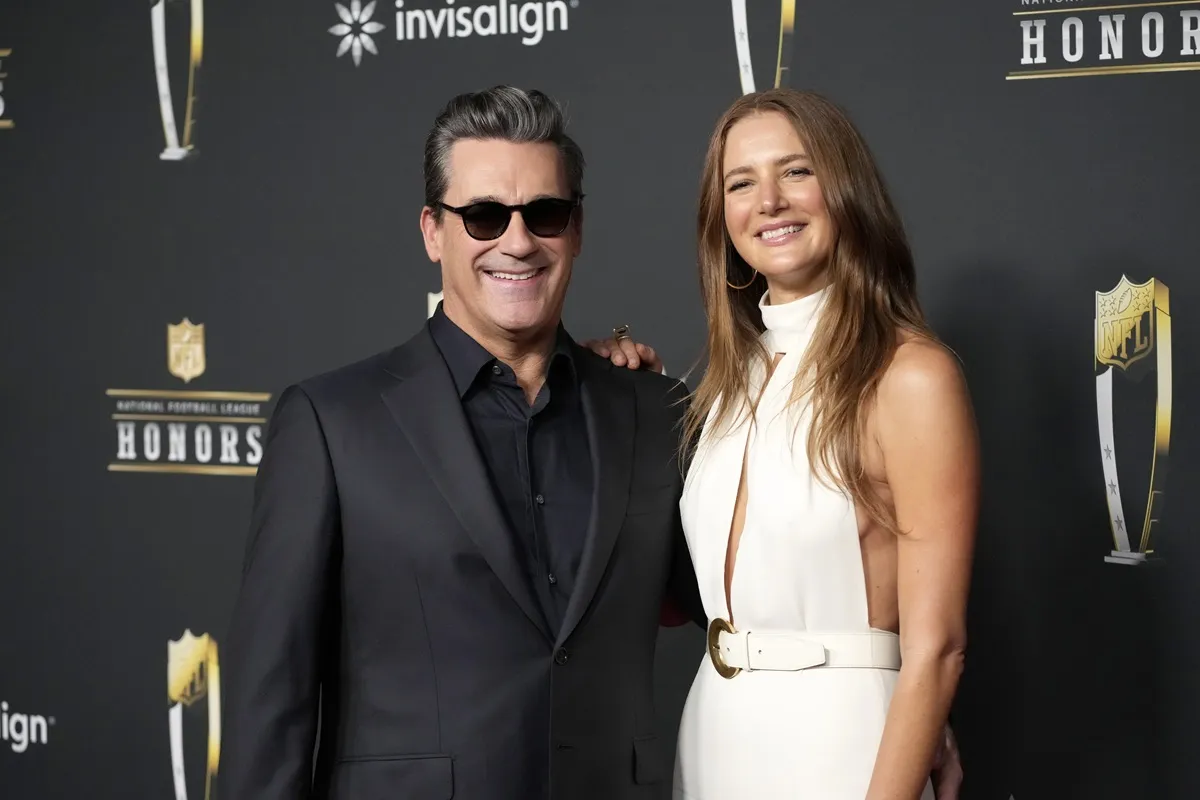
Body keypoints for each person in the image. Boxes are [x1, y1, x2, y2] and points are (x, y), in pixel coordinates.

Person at [216, 86, 704, 800]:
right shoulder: (331, 423)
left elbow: (747, 605)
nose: (516, 241)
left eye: (545, 213)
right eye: (482, 216)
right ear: (432, 232)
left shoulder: (654, 411)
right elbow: (272, 699)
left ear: (576, 228)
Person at [594, 88, 978, 799]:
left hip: (845, 746)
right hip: (714, 733)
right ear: (723, 219)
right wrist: (596, 384)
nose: (768, 200)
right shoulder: (723, 385)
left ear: (847, 188)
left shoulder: (911, 375)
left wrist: (921, 740)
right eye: (741, 182)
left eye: (796, 171)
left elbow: (938, 649)